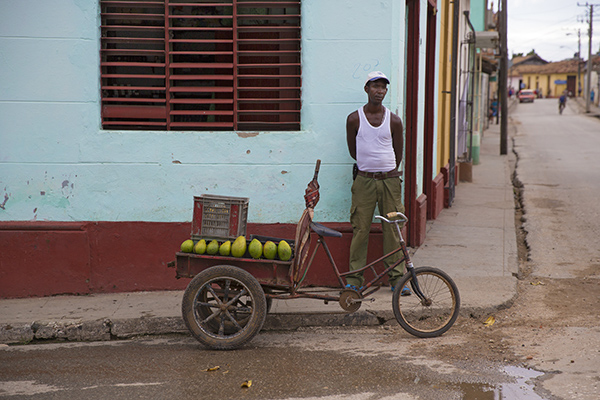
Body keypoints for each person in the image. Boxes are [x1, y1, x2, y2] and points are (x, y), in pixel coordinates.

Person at [345, 71, 409, 295]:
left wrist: (385, 170)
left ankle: (397, 279)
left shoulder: (394, 120)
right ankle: (354, 280)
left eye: (383, 87)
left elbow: (398, 152)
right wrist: (369, 167)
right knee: (361, 229)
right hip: (364, 181)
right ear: (366, 89)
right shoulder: (354, 119)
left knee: (392, 229)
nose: (380, 91)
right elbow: (353, 151)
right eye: (375, 86)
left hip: (389, 181)